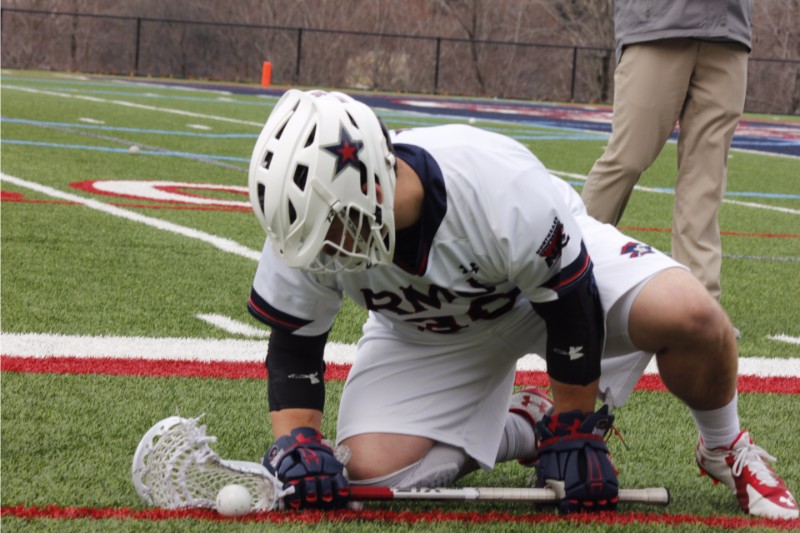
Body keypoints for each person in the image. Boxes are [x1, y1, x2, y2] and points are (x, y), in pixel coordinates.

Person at [246, 89, 797, 518]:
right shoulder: (302, 226)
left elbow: (571, 303)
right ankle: (528, 424)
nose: (329, 250)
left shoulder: (493, 186)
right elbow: (295, 346)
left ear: (374, 179)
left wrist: (578, 425)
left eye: (339, 227)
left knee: (690, 312)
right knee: (363, 476)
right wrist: (299, 443)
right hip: (424, 330)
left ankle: (725, 447)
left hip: (543, 291)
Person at [580, 0, 752, 306]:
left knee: (706, 178)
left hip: (729, 30)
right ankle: (561, 271)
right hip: (656, 24)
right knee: (627, 159)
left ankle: (700, 303)